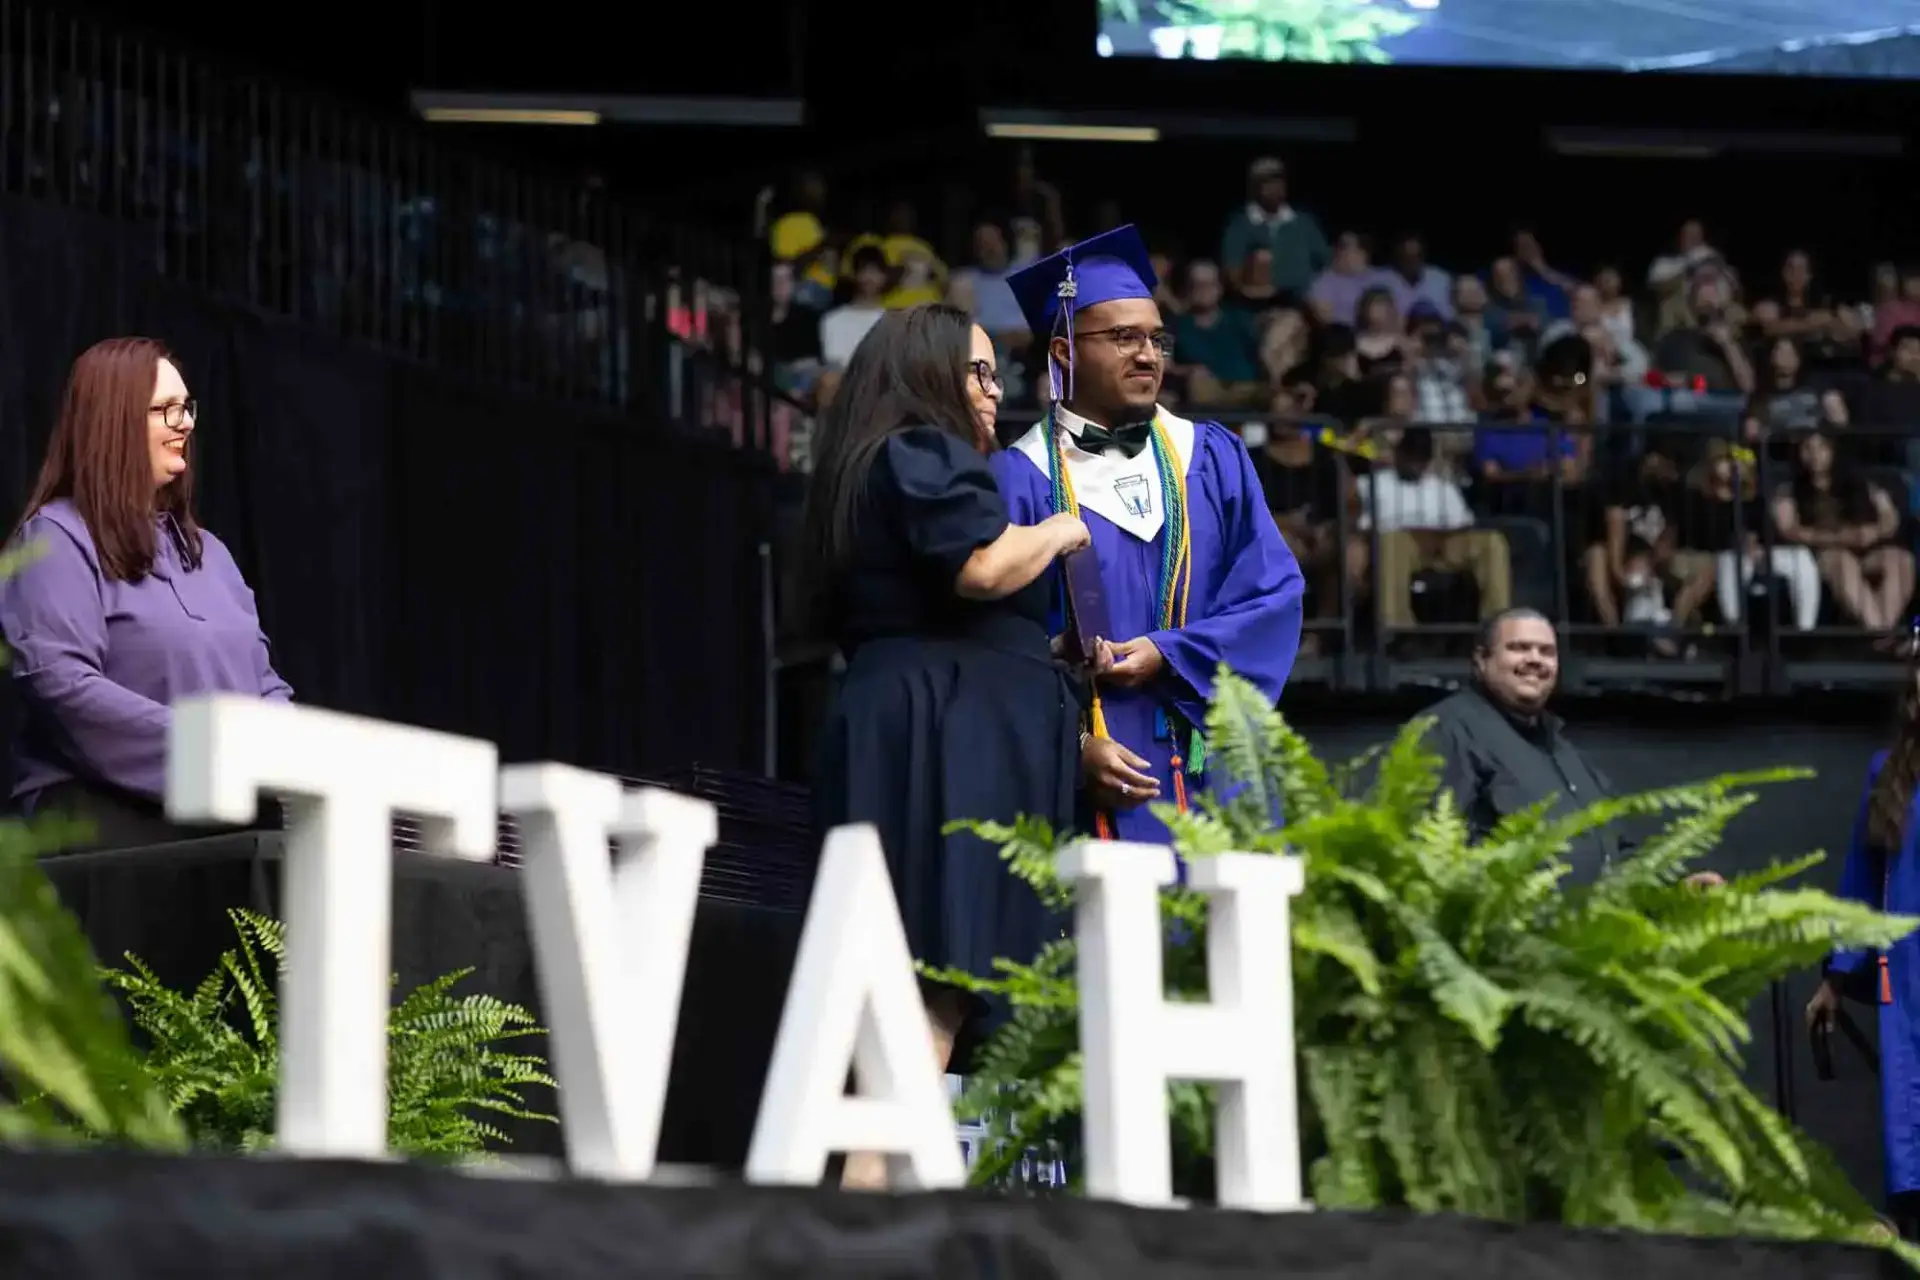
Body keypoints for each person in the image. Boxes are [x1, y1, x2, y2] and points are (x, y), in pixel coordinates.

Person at [798, 304, 1089, 1188]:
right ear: (922, 373)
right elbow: (983, 568)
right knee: (942, 975)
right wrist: (1062, 528)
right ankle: (867, 1211)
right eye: (977, 372)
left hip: (912, 719)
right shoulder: (924, 453)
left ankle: (869, 1195)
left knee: (907, 989)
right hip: (949, 739)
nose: (994, 392)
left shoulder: (865, 469)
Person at [993, 224, 1305, 845]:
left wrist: (1171, 653)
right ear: (1064, 354)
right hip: (1104, 772)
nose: (1147, 354)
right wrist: (1071, 749)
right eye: (1122, 337)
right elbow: (998, 651)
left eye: (1156, 338)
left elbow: (1275, 597)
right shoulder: (1018, 479)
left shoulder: (1211, 458)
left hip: (1216, 763)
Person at [0, 337, 293, 847]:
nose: (185, 424)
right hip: (102, 819)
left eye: (186, 408)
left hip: (225, 814)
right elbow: (63, 685)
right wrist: (207, 747)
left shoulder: (212, 554)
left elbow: (266, 685)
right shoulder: (57, 538)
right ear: (112, 422)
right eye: (164, 410)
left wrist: (287, 750)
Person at [1420, 609, 1722, 890]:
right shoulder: (1447, 729)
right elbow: (1435, 852)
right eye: (1519, 648)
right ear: (1481, 660)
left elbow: (1614, 851)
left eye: (1547, 651)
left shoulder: (1561, 748)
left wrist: (1674, 888)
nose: (1535, 659)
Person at [1810, 634, 1920, 1236]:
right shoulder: (1889, 773)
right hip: (1908, 976)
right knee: (1912, 1131)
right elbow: (1860, 882)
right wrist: (1836, 976)